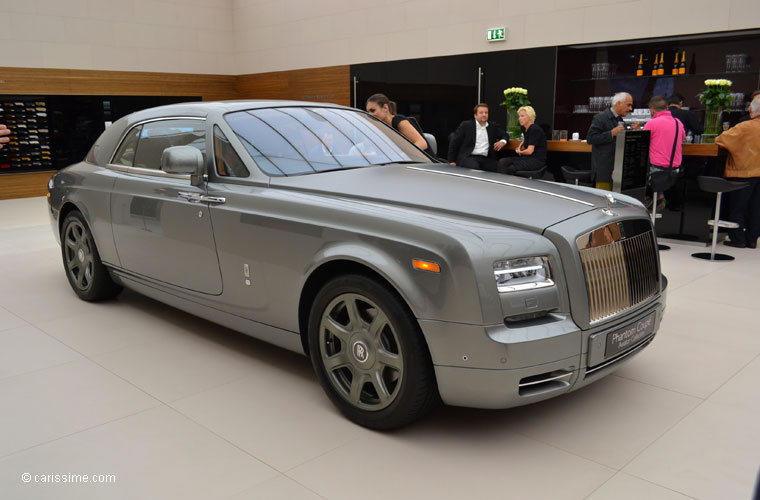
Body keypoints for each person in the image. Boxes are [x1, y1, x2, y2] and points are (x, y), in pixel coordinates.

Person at [715, 95, 760, 248]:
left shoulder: (745, 126)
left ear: (751, 109)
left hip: (743, 172)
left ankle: (738, 239)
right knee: (756, 207)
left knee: (738, 207)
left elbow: (721, 140)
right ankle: (752, 239)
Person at [587, 92, 640, 190]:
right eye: (628, 105)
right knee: (603, 201)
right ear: (619, 103)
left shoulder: (620, 120)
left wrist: (632, 132)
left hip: (617, 170)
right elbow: (591, 138)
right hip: (604, 171)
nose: (630, 109)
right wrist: (611, 133)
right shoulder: (600, 118)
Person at [643, 96, 686, 212]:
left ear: (652, 110)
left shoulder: (652, 123)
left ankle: (653, 200)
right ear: (666, 108)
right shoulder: (678, 123)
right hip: (674, 171)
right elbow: (683, 137)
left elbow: (642, 142)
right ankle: (658, 196)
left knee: (635, 174)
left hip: (656, 171)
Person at [365, 94, 433, 156]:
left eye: (373, 110)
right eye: (368, 112)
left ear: (385, 108)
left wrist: (401, 156)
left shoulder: (399, 121)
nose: (370, 115)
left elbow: (422, 143)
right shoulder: (381, 128)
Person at [447, 103, 508, 171]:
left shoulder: (492, 127)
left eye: (486, 112)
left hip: (485, 158)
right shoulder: (466, 126)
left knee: (500, 168)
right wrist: (452, 161)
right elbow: (454, 142)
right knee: (475, 168)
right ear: (475, 115)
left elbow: (505, 135)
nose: (484, 114)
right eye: (481, 113)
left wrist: (503, 142)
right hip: (468, 157)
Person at [497, 106, 546, 175]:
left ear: (530, 117)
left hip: (535, 161)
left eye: (522, 116)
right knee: (502, 161)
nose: (519, 119)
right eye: (519, 116)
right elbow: (525, 144)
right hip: (527, 159)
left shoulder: (534, 129)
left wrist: (520, 151)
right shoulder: (527, 129)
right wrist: (520, 148)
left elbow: (529, 151)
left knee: (508, 168)